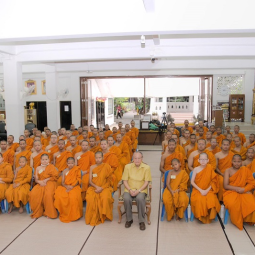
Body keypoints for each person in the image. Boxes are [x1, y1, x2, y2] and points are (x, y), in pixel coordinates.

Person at [223, 154, 255, 230]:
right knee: (233, 204)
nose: (237, 163)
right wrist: (237, 189)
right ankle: (237, 221)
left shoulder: (245, 170)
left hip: (243, 190)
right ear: (231, 162)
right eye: (235, 161)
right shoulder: (228, 171)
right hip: (230, 191)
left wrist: (245, 190)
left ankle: (247, 219)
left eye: (239, 161)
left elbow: (252, 183)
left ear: (241, 162)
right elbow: (225, 186)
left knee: (251, 202)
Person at [122, 151, 152, 230]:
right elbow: (124, 180)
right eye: (135, 158)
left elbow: (146, 182)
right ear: (133, 159)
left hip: (141, 189)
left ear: (142, 159)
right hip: (129, 188)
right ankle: (129, 219)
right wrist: (130, 190)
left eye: (139, 158)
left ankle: (141, 221)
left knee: (140, 198)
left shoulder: (146, 167)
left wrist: (138, 191)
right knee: (126, 198)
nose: (137, 160)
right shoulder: (127, 167)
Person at [85, 151, 114, 226]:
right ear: (94, 158)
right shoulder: (92, 167)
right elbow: (90, 181)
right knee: (90, 198)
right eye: (96, 158)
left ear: (103, 158)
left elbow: (109, 180)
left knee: (105, 197)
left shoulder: (107, 166)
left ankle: (104, 215)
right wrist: (97, 187)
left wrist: (102, 188)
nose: (98, 159)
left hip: (105, 187)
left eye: (99, 157)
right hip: (93, 187)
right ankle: (94, 216)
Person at [190, 153, 220, 223]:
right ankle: (201, 216)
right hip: (197, 190)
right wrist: (201, 190)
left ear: (208, 160)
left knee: (212, 199)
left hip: (208, 190)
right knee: (199, 200)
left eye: (205, 159)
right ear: (198, 160)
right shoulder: (196, 169)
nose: (203, 161)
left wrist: (206, 190)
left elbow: (213, 181)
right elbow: (192, 182)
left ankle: (210, 215)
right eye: (201, 159)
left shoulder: (210, 168)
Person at [29, 154, 58, 219]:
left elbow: (55, 176)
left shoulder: (51, 167)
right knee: (34, 193)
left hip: (50, 182)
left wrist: (47, 179)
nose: (44, 161)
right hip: (40, 183)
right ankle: (38, 211)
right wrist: (40, 182)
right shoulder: (38, 168)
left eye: (46, 159)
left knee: (48, 194)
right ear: (40, 160)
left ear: (49, 160)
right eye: (43, 159)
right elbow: (36, 179)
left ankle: (49, 212)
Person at [54, 157, 83, 223]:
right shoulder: (64, 171)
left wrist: (72, 186)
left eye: (72, 163)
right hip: (65, 186)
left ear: (74, 163)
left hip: (75, 186)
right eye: (69, 163)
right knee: (59, 195)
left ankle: (74, 215)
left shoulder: (77, 169)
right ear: (67, 163)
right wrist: (67, 187)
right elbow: (62, 182)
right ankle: (65, 213)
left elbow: (78, 180)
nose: (70, 165)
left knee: (72, 197)